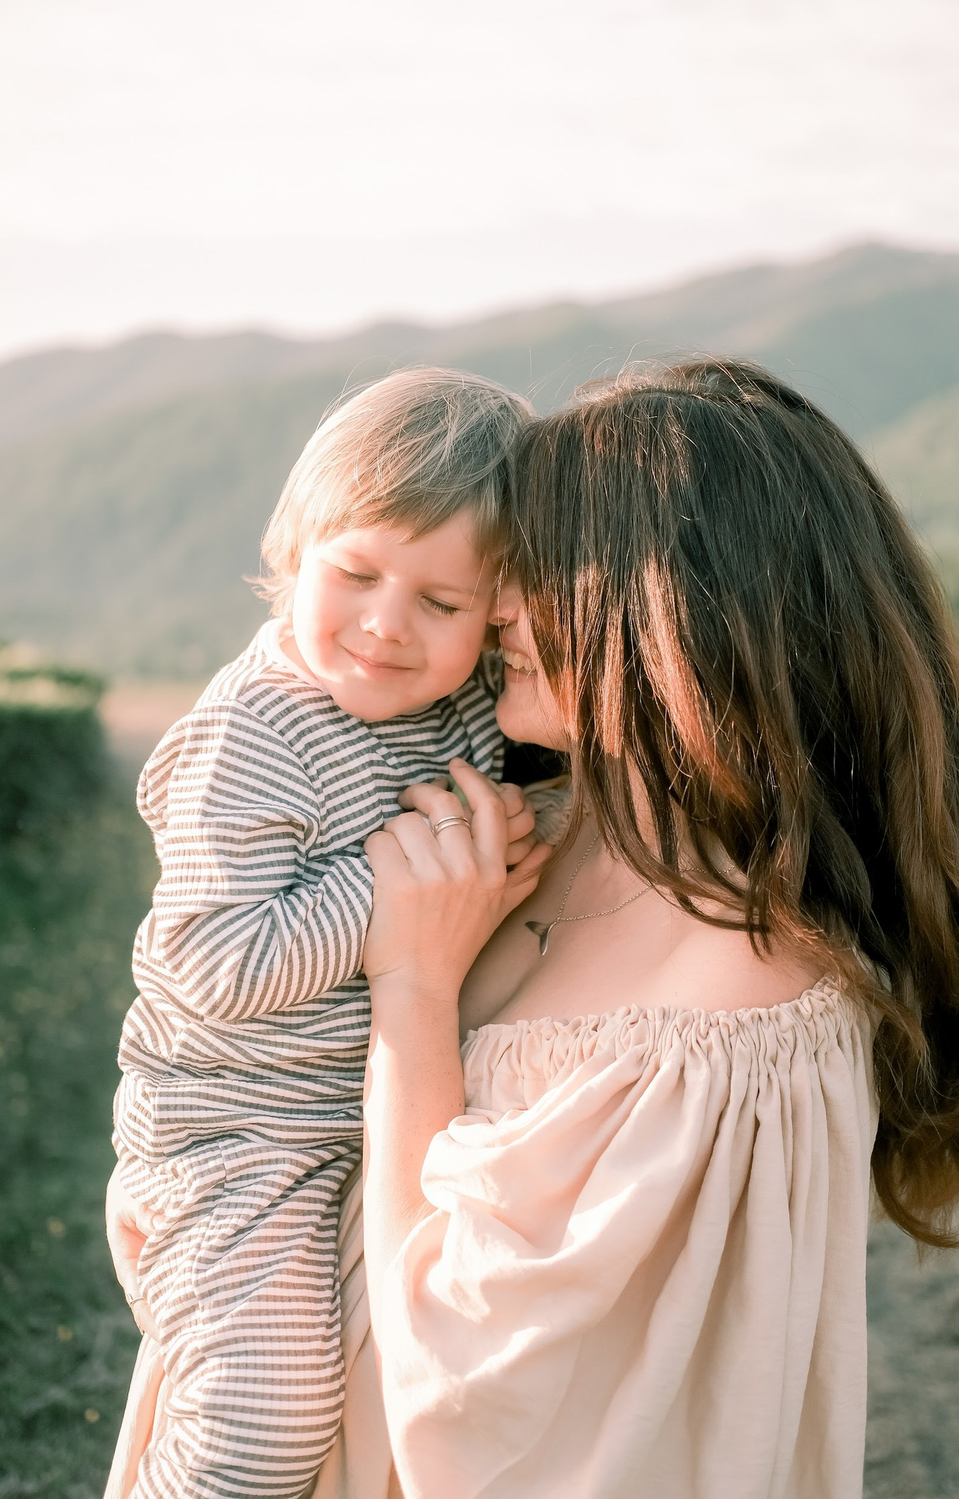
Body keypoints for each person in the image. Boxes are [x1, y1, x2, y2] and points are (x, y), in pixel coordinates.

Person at [109, 358, 959, 1499]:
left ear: (667, 610)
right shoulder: (563, 823)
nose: (496, 603)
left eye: (527, 569)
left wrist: (413, 986)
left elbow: (476, 1388)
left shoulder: (730, 1009)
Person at [104, 367, 541, 1499]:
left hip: (367, 1127)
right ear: (295, 549)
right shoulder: (250, 734)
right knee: (259, 1435)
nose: (386, 624)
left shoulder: (458, 709)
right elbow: (212, 961)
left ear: (496, 613)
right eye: (353, 573)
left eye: (441, 604)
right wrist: (401, 886)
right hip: (237, 1139)